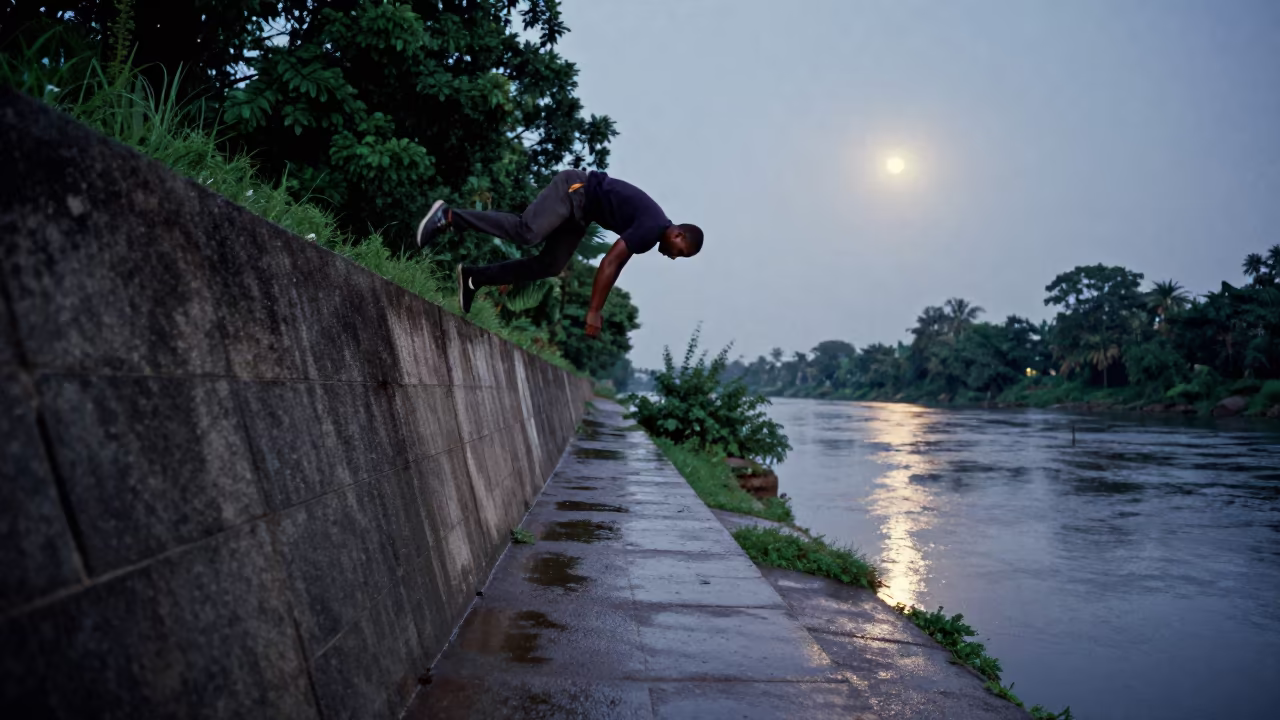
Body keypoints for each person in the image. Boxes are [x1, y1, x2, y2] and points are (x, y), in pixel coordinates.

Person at [415, 169, 703, 337]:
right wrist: (594, 311)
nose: (674, 256)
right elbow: (610, 263)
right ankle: (448, 216)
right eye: (680, 252)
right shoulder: (652, 227)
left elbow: (616, 265)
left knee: (551, 264)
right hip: (574, 190)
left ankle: (473, 278)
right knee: (527, 231)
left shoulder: (650, 232)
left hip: (580, 215)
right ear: (678, 235)